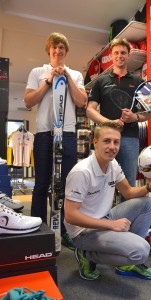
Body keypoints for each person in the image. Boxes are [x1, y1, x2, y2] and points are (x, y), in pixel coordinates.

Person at [64, 122, 151, 281]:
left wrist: (150, 187)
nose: (112, 146)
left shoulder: (113, 164)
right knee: (141, 251)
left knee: (148, 203)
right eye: (107, 141)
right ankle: (88, 254)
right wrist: (112, 225)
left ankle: (126, 260)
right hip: (83, 231)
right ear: (95, 142)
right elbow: (70, 216)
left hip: (106, 216)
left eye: (116, 142)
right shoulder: (81, 172)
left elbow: (129, 192)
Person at [24, 32, 87, 249]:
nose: (58, 51)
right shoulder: (37, 72)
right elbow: (28, 101)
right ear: (48, 50)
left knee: (67, 185)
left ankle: (64, 230)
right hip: (44, 134)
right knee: (41, 183)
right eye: (54, 47)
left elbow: (81, 102)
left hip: (67, 134)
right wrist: (48, 82)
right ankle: (37, 230)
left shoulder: (76, 75)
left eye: (62, 48)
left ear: (66, 51)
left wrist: (67, 78)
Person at [86, 38, 151, 197]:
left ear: (128, 55)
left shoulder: (139, 82)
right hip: (106, 138)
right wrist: (109, 123)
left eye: (123, 53)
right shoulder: (101, 81)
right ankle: (103, 219)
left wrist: (134, 117)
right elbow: (90, 110)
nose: (119, 56)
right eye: (116, 53)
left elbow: (148, 113)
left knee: (128, 183)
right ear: (111, 55)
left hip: (130, 138)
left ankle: (125, 220)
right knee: (101, 181)